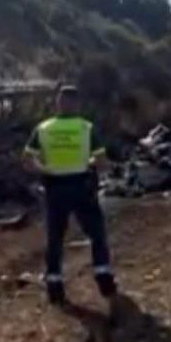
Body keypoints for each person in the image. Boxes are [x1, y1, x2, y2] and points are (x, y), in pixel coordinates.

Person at [24, 86, 116, 308]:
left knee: (55, 237)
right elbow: (101, 162)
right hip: (81, 186)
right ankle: (103, 276)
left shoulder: (43, 129)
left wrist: (45, 169)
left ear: (58, 103)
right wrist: (89, 164)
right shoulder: (86, 128)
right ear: (76, 104)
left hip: (54, 188)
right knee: (96, 231)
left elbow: (27, 161)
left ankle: (54, 284)